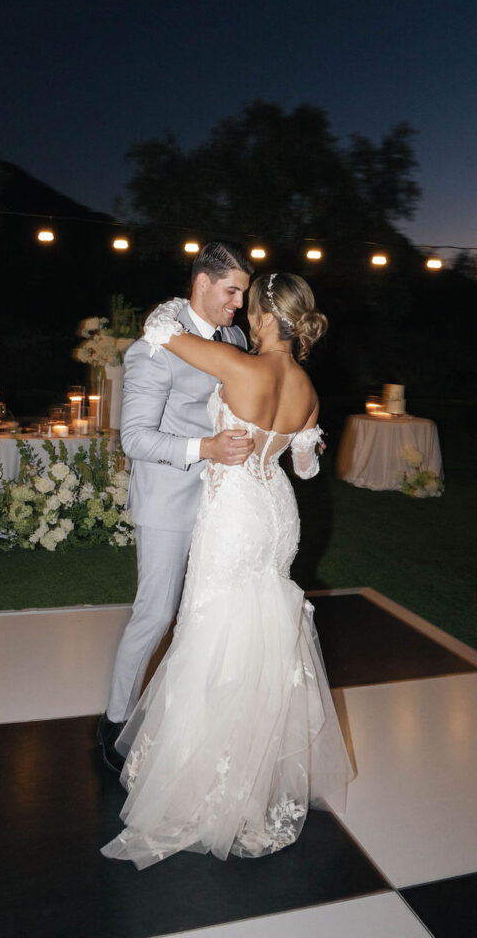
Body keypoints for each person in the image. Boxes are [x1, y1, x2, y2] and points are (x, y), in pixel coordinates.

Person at [101, 273, 355, 869]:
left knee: (211, 629)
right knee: (263, 627)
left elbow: (161, 330)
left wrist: (185, 301)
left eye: (251, 305)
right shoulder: (306, 385)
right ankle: (253, 773)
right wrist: (298, 441)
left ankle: (200, 778)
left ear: (266, 318)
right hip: (278, 512)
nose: (242, 311)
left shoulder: (238, 367)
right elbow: (306, 465)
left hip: (235, 511)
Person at [97, 241, 255, 773]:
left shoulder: (234, 338)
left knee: (207, 612)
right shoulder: (152, 347)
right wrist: (205, 450)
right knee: (156, 613)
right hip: (167, 498)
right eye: (231, 292)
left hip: (225, 499)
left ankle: (192, 720)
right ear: (203, 282)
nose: (238, 304)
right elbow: (134, 439)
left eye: (243, 294)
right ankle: (115, 720)